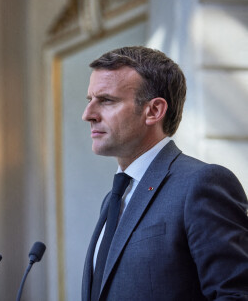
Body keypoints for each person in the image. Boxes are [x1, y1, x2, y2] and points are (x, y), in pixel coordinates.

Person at [81, 46, 248, 300]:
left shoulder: (201, 184)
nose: (88, 115)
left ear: (154, 111)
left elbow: (235, 294)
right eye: (89, 100)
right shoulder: (114, 199)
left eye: (106, 100)